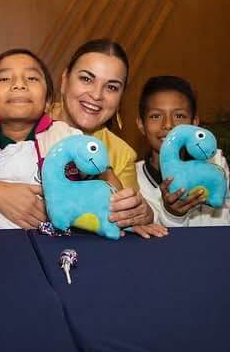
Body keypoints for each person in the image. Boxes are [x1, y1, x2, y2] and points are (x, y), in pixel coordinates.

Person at [0, 48, 167, 239]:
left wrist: (126, 208)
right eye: (4, 79)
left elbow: (107, 181)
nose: (19, 84)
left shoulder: (68, 138)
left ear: (48, 102)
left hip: (56, 249)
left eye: (32, 79)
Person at [50, 39, 154, 228]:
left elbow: (126, 220)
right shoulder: (27, 125)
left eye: (112, 87)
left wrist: (141, 214)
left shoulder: (122, 155)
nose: (97, 95)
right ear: (64, 80)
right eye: (87, 79)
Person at [135, 76, 230, 226]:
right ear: (141, 124)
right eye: (155, 116)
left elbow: (221, 222)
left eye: (179, 116)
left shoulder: (215, 163)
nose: (168, 125)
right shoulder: (133, 178)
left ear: (194, 123)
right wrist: (173, 215)